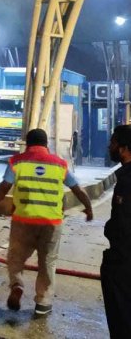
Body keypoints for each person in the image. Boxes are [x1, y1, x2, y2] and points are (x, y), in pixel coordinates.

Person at [0, 128, 92, 316]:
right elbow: (77, 188)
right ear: (46, 144)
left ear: (28, 143)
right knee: (47, 261)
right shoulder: (60, 164)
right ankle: (43, 303)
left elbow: (4, 186)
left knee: (16, 258)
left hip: (24, 220)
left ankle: (17, 285)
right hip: (51, 223)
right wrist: (88, 207)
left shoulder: (17, 162)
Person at [102, 124, 131, 337]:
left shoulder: (128, 180)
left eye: (113, 142)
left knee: (121, 317)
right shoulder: (124, 176)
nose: (110, 146)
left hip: (124, 261)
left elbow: (123, 223)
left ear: (123, 148)